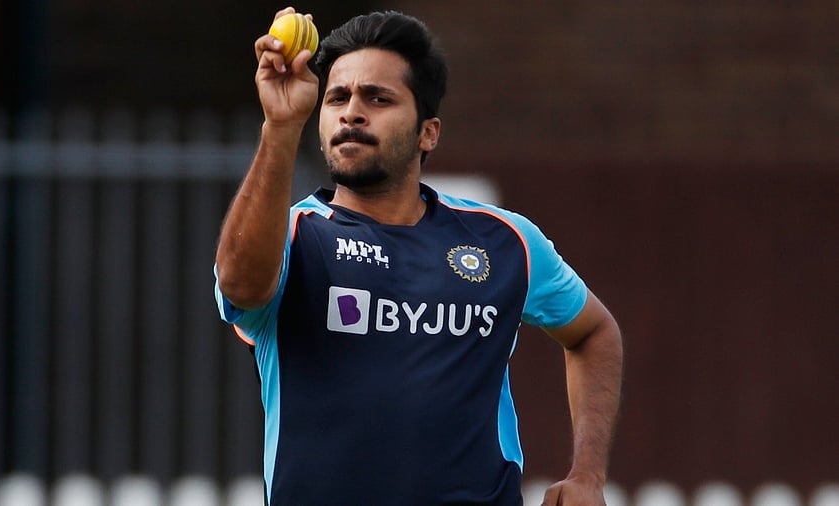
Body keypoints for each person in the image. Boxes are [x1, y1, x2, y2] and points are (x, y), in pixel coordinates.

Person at [214, 7, 623, 505]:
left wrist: (588, 475)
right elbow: (241, 286)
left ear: (429, 132)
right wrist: (279, 127)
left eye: (378, 98)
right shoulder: (297, 236)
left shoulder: (505, 240)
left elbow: (594, 333)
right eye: (337, 97)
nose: (352, 113)